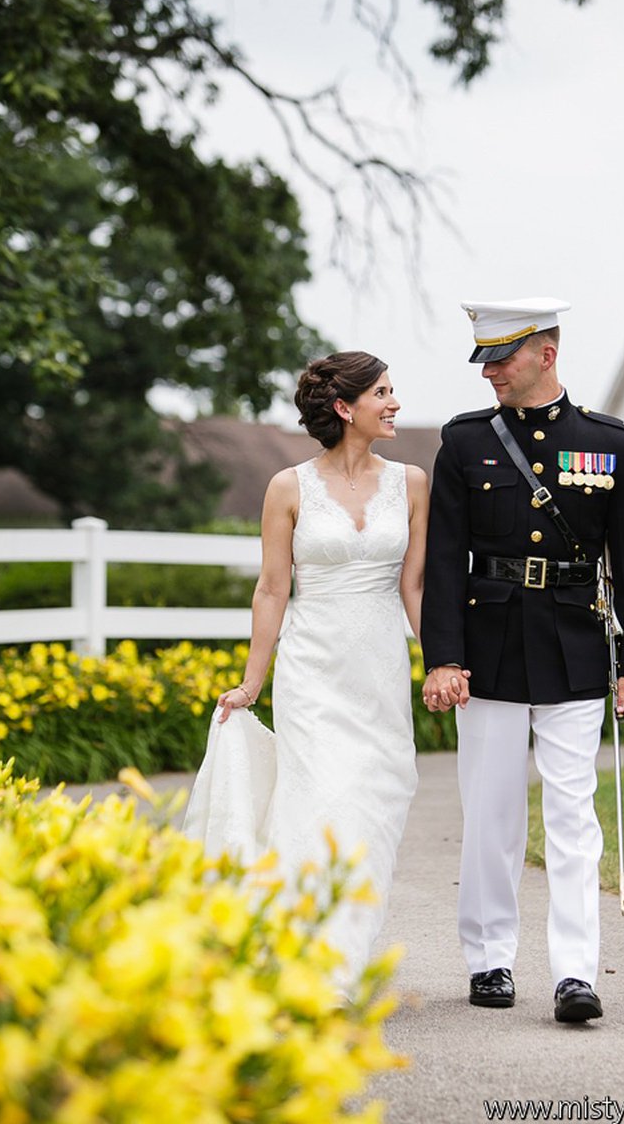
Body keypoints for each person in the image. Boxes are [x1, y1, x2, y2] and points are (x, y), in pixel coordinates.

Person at [420, 298, 624, 1023]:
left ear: (546, 355)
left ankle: (575, 974)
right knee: (490, 813)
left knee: (572, 815)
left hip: (575, 646)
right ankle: (489, 958)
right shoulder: (464, 444)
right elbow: (443, 563)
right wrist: (444, 658)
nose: (490, 371)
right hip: (487, 649)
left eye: (503, 358)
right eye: (485, 359)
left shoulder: (608, 443)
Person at [183, 351, 426, 990]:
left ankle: (341, 947)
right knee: (318, 803)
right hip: (311, 670)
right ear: (345, 408)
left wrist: (445, 664)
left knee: (374, 804)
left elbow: (416, 587)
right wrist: (251, 683)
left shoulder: (413, 483)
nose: (394, 402)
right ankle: (313, 967)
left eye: (392, 390)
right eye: (382, 391)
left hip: (377, 669)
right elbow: (271, 589)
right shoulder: (288, 487)